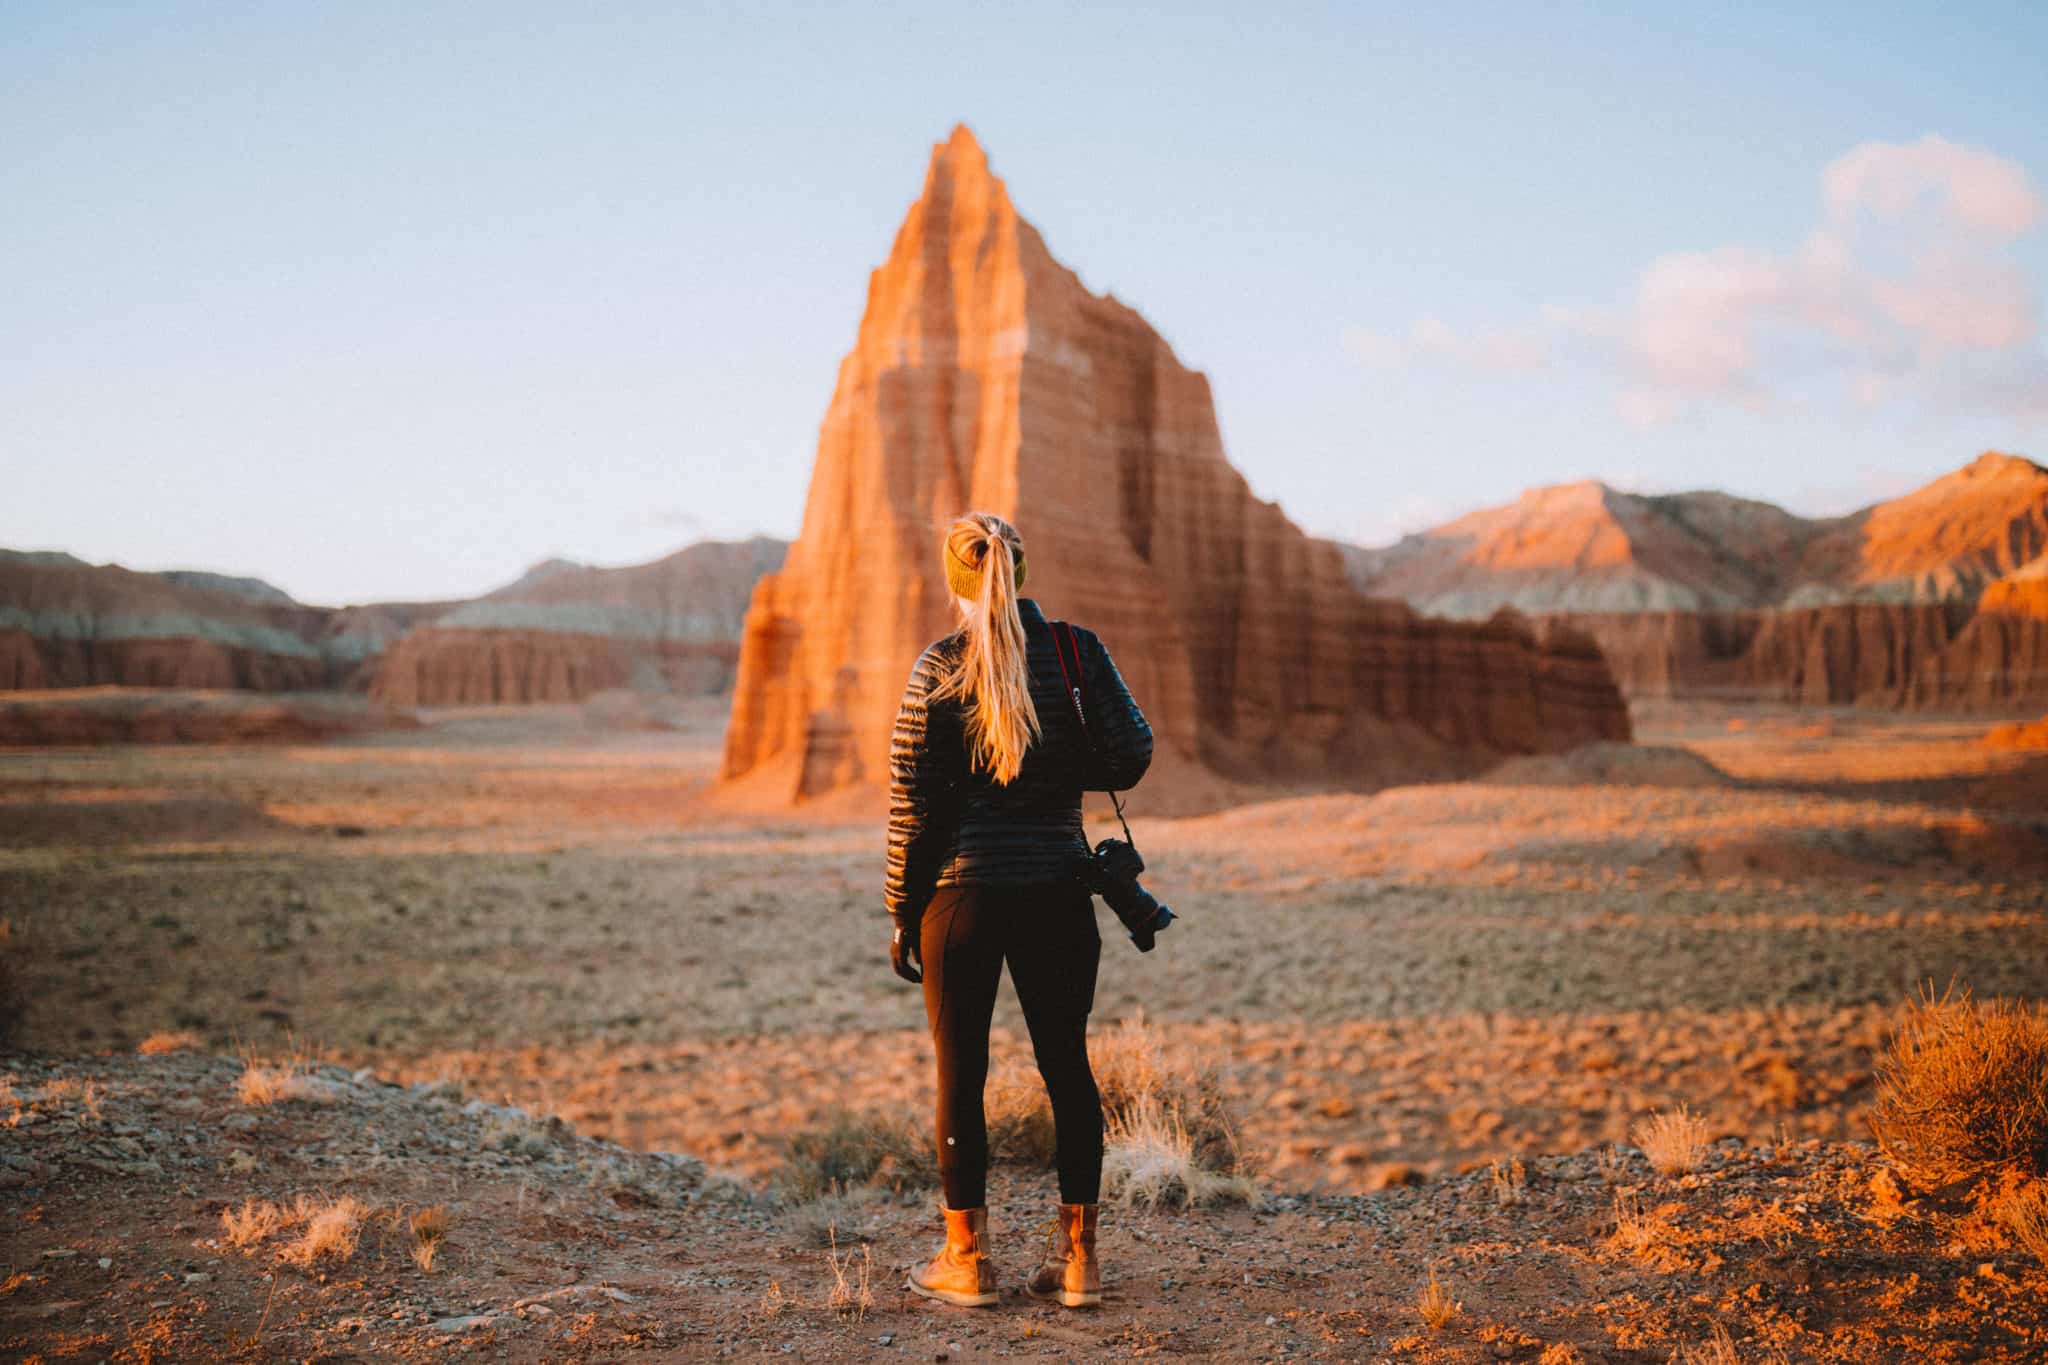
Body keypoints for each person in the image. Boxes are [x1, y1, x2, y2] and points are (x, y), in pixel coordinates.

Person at [885, 511, 1153, 1309]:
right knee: (1067, 1066)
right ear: (1021, 574)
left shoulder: (937, 666)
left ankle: (967, 1260)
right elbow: (1131, 755)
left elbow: (913, 801)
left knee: (960, 1073)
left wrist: (902, 906)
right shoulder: (1075, 651)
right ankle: (1079, 1264)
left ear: (953, 578)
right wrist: (1064, 751)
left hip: (962, 897)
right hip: (1059, 891)